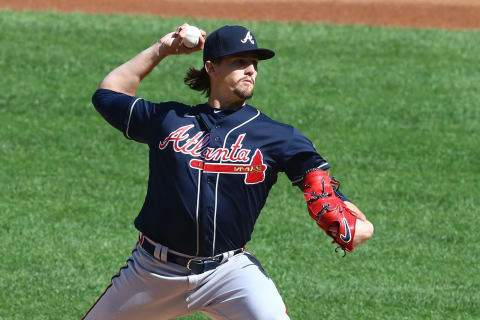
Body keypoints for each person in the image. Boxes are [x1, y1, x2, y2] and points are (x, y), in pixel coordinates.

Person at [84, 23, 374, 320]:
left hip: (229, 274)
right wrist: (162, 49)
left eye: (254, 63)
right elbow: (107, 95)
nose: (251, 70)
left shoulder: (277, 136)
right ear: (211, 67)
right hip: (153, 272)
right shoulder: (169, 119)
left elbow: (321, 185)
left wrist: (355, 219)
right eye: (239, 61)